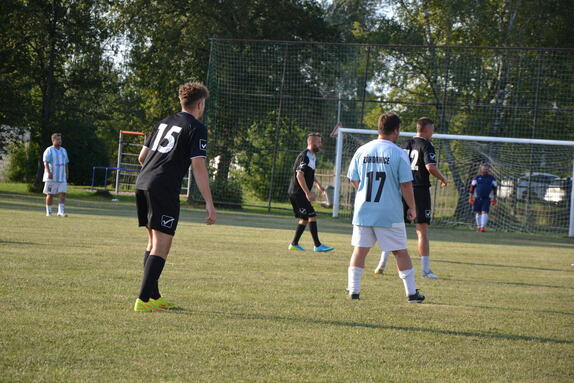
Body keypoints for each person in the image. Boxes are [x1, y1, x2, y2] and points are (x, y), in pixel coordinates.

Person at [133, 82, 217, 312]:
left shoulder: (163, 122)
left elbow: (142, 157)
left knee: (153, 243)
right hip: (163, 187)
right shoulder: (196, 127)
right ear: (200, 104)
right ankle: (142, 299)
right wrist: (209, 203)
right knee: (162, 244)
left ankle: (153, 296)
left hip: (143, 183)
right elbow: (198, 166)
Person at [346, 112, 425, 303]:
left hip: (364, 210)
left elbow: (353, 179)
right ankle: (412, 293)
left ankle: (354, 291)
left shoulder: (362, 150)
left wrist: (364, 191)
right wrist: (412, 207)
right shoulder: (398, 153)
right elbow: (406, 185)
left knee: (360, 250)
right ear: (396, 131)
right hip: (388, 212)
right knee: (400, 251)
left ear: (379, 129)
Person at [374, 117, 447, 278]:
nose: (433, 133)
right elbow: (430, 166)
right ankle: (426, 270)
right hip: (419, 190)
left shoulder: (405, 144)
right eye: (432, 129)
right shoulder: (427, 145)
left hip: (401, 189)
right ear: (427, 130)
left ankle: (382, 263)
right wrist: (443, 178)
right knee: (421, 231)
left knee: (392, 227)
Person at [287, 133, 334, 252]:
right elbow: (299, 175)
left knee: (305, 218)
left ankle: (294, 244)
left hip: (300, 193)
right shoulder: (305, 156)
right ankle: (317, 245)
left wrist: (318, 185)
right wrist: (308, 193)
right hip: (298, 193)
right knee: (311, 215)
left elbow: (309, 175)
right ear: (312, 143)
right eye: (318, 143)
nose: (320, 145)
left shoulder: (312, 157)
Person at [42, 133, 69, 217]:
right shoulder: (49, 150)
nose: (59, 141)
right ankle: (48, 212)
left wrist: (67, 173)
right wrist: (49, 172)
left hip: (62, 176)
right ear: (53, 140)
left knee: (63, 193)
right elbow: (45, 162)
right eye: (57, 139)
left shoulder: (63, 150)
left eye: (60, 139)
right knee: (50, 194)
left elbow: (66, 163)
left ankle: (60, 212)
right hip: (52, 177)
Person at [469, 164, 497, 232]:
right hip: (477, 198)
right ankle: (478, 227)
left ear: (488, 170)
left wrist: (494, 198)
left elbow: (495, 188)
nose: (485, 170)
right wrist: (470, 197)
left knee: (484, 212)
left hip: (487, 198)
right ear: (481, 169)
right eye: (484, 169)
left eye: (486, 169)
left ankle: (482, 227)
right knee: (478, 212)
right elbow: (472, 188)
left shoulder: (492, 178)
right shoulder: (476, 177)